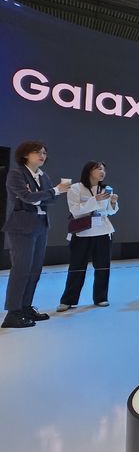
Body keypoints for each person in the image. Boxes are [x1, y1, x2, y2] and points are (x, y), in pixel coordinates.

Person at [2, 141, 70, 328]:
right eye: (37, 152)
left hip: (41, 225)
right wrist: (53, 191)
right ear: (25, 155)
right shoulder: (16, 174)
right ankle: (12, 313)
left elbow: (49, 200)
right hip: (22, 227)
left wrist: (44, 195)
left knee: (35, 270)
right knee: (21, 269)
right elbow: (28, 197)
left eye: (44, 153)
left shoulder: (43, 176)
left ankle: (25, 307)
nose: (42, 155)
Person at [57, 161, 119, 312]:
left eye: (104, 169)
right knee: (76, 267)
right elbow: (75, 210)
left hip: (103, 232)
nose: (102, 172)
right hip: (82, 233)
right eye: (98, 169)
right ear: (89, 171)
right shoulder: (76, 188)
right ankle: (68, 300)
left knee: (103, 267)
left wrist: (113, 203)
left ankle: (101, 297)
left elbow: (110, 212)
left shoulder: (106, 189)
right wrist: (94, 200)